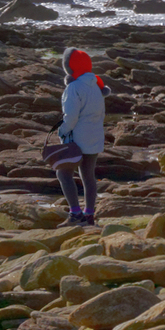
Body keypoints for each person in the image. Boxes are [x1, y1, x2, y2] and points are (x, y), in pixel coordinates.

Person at [56, 47, 110, 226]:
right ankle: (89, 214)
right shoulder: (96, 86)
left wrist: (62, 131)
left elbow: (71, 117)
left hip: (76, 140)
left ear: (69, 67)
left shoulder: (73, 88)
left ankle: (75, 213)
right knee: (88, 176)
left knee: (63, 173)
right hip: (95, 137)